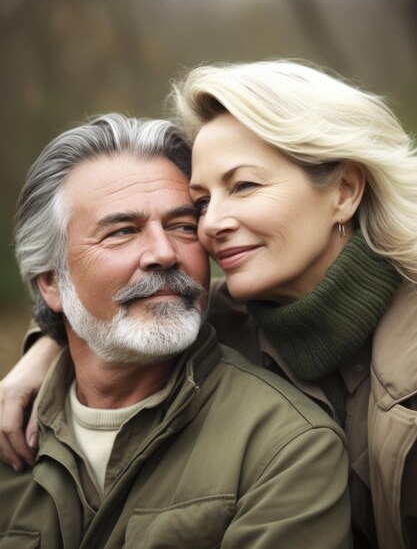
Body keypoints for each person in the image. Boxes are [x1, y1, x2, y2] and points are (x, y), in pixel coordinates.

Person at [2, 60, 416, 547]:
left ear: (344, 191)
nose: (210, 223)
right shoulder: (222, 315)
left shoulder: (288, 429)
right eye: (200, 202)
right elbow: (120, 306)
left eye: (243, 185)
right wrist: (45, 350)